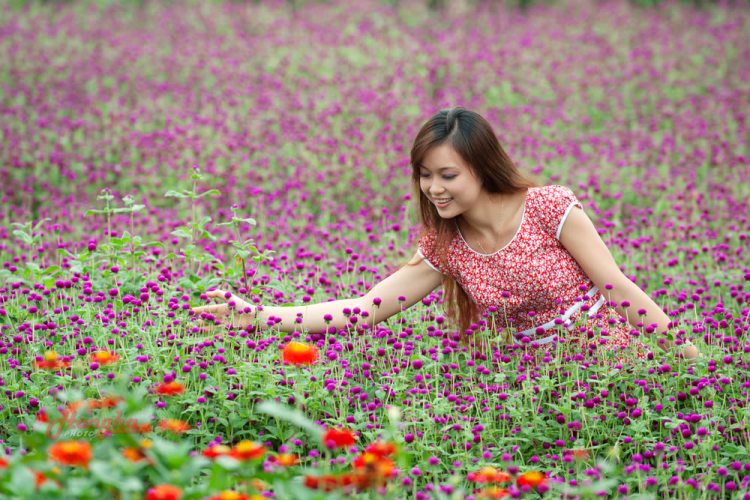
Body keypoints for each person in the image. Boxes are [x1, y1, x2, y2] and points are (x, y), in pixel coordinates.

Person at [191, 107, 701, 365]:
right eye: (424, 174)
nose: (432, 188)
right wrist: (257, 317)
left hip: (613, 367)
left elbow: (616, 287)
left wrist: (691, 362)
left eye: (448, 175)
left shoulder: (549, 207)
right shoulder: (445, 246)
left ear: (482, 167)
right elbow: (364, 308)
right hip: (529, 391)